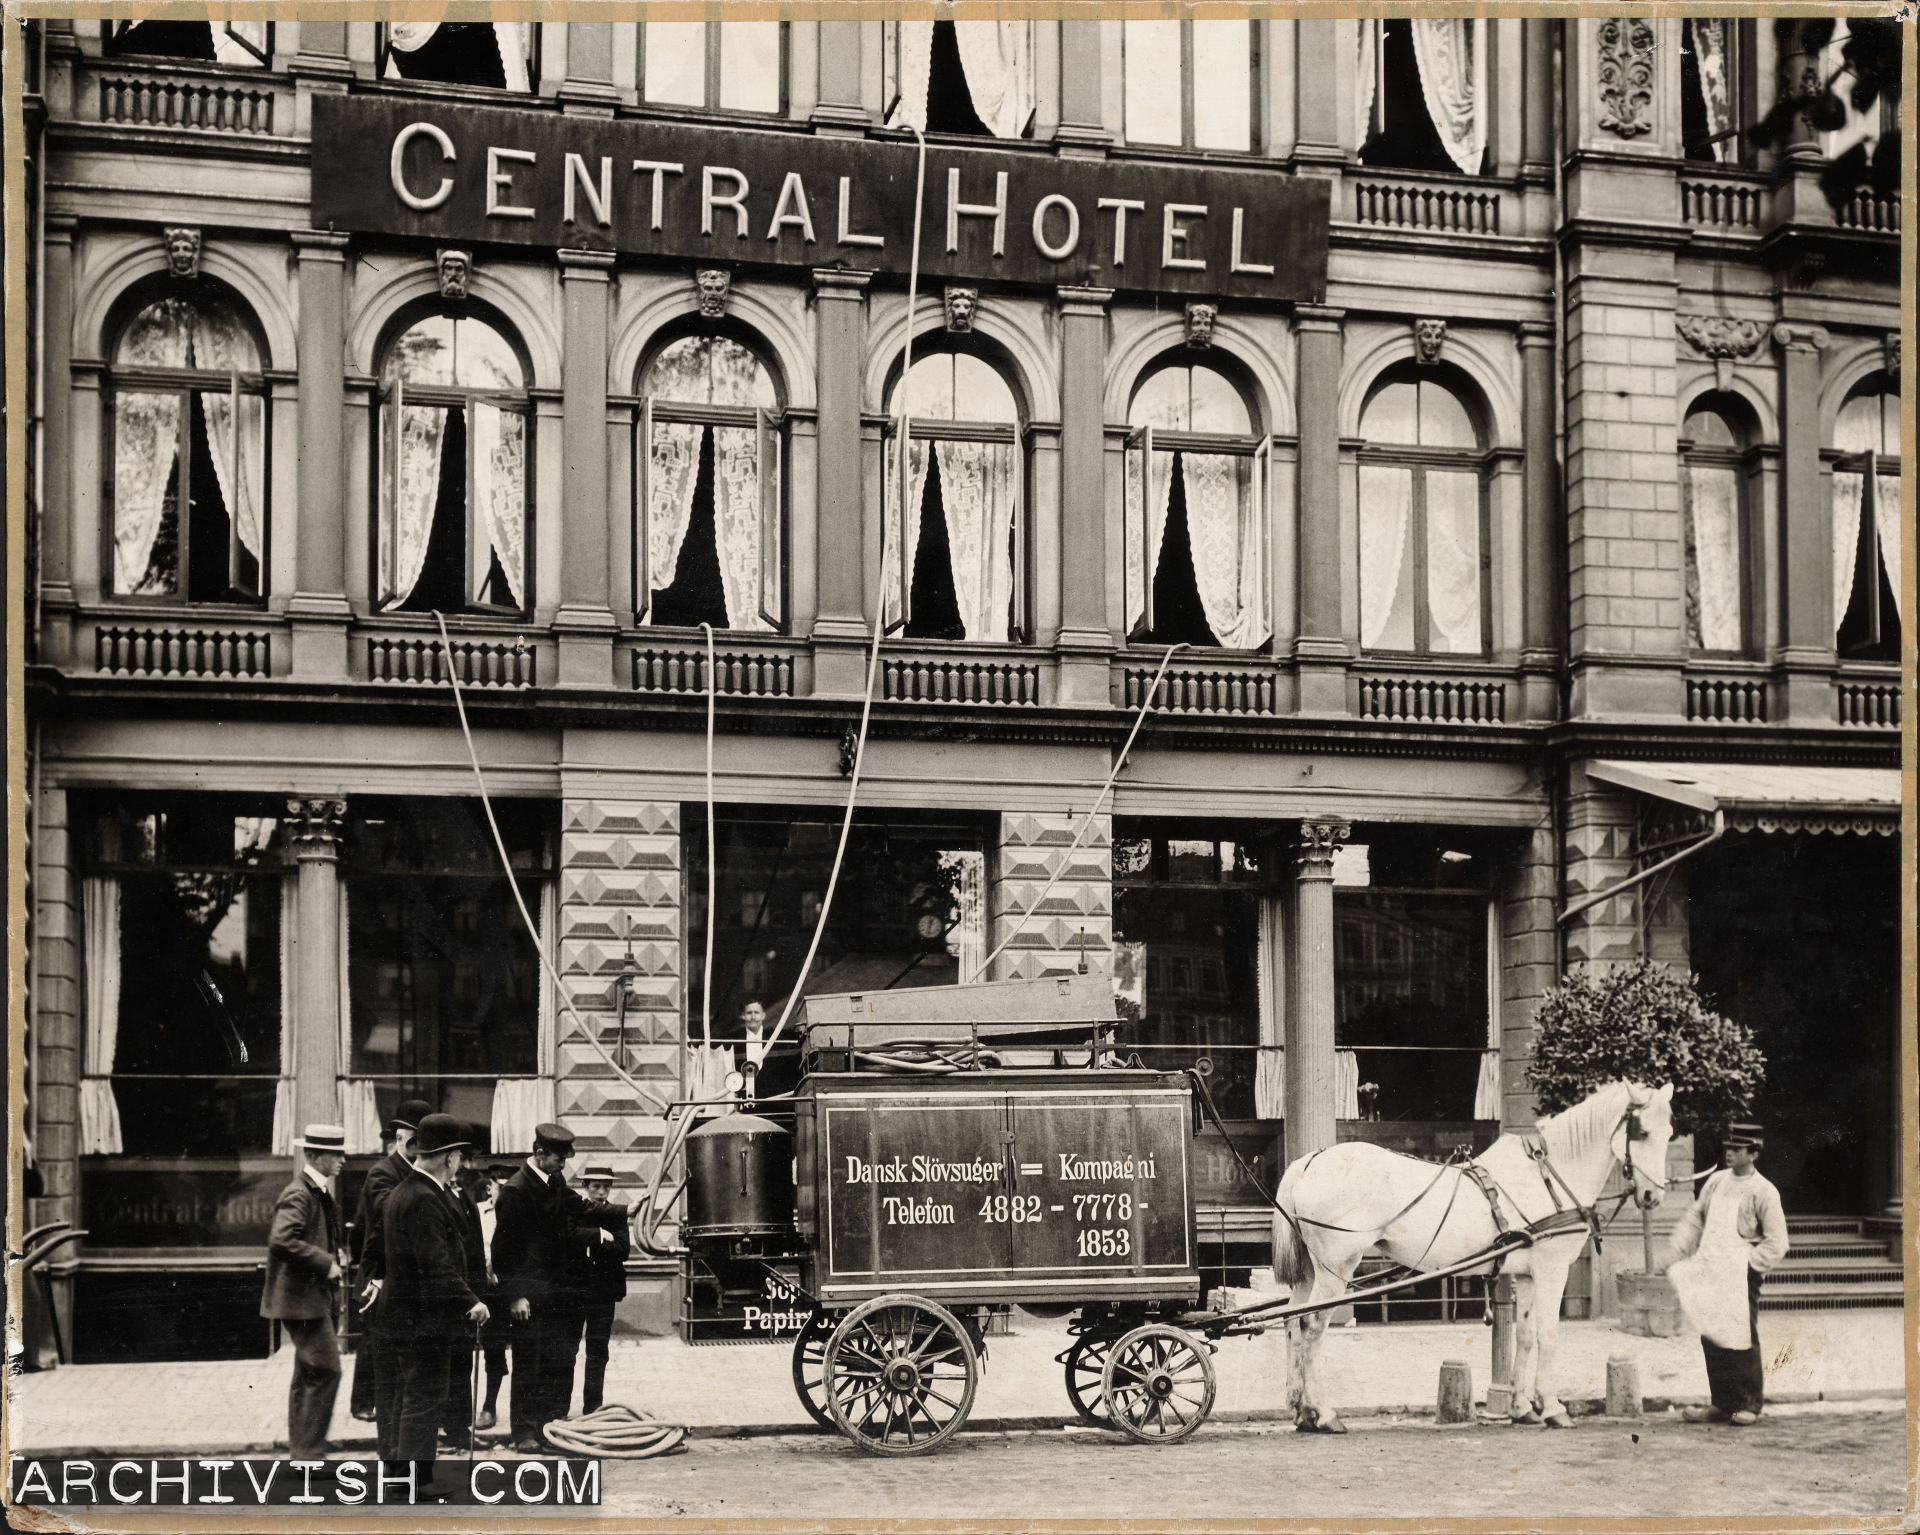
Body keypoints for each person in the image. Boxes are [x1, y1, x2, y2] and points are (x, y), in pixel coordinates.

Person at [375, 1113, 488, 1498]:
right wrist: (471, 1301)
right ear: (447, 1157)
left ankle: (402, 1479)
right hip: (422, 1322)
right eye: (458, 1154)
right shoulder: (424, 1197)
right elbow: (436, 1266)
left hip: (405, 1318)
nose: (460, 1161)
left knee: (411, 1399)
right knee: (424, 1401)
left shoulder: (407, 1191)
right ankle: (412, 1485)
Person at [491, 1123, 622, 1452]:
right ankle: (522, 1433)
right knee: (528, 1364)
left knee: (555, 1361)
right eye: (558, 1160)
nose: (563, 1165)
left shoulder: (555, 1181)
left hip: (556, 1291)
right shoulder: (516, 1190)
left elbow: (581, 1207)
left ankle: (547, 1428)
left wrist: (622, 1212)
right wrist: (514, 1295)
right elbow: (502, 1250)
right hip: (529, 1294)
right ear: (539, 1154)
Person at [1663, 1121, 1790, 1425]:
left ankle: (1748, 1404)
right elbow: (1695, 1218)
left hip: (1739, 1274)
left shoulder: (1763, 1191)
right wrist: (1675, 1250)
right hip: (1710, 1268)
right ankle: (1721, 1403)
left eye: (1737, 1149)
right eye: (1728, 1148)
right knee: (1712, 1335)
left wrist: (1746, 1266)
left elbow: (1777, 1243)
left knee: (1741, 1335)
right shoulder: (1716, 1182)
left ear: (1753, 1153)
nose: (1730, 1153)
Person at [261, 1124, 349, 1460]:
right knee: (328, 1370)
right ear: (313, 1156)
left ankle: (304, 1448)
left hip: (307, 1300)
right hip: (302, 1302)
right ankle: (309, 1452)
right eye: (335, 1154)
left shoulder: (315, 1190)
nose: (341, 1160)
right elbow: (281, 1240)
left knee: (309, 1373)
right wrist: (326, 1262)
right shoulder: (300, 1193)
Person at [350, 1099, 432, 1421]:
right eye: (415, 1137)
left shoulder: (417, 1170)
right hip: (381, 1272)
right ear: (399, 1138)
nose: (421, 1144)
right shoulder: (383, 1173)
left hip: (404, 1273)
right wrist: (368, 1269)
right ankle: (362, 1404)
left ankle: (388, 1405)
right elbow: (384, 1218)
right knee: (373, 1342)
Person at [576, 1165, 631, 1415]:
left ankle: (592, 1406)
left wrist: (592, 1245)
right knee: (568, 1348)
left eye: (606, 1187)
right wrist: (599, 1236)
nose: (601, 1192)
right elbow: (567, 1243)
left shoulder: (616, 1214)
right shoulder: (575, 1211)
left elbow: (623, 1250)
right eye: (596, 1186)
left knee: (598, 1349)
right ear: (585, 1187)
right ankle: (557, 1408)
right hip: (574, 1289)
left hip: (604, 1290)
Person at [473, 1164, 515, 1430]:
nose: (505, 1193)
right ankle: (458, 1411)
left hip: (507, 1291)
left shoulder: (519, 1213)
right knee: (473, 1348)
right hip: (479, 1289)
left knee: (497, 1350)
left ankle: (489, 1406)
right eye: (501, 1187)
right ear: (490, 1187)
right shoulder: (477, 1212)